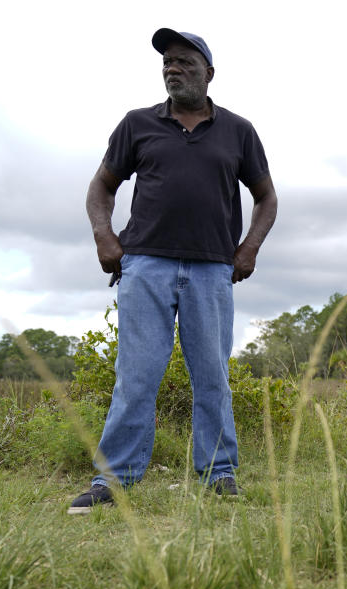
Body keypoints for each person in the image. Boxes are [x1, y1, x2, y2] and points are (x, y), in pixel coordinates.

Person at [68, 28, 277, 514]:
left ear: (209, 72)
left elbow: (266, 197)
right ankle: (114, 480)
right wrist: (104, 235)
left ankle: (219, 474)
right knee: (136, 376)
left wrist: (248, 249)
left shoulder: (238, 131)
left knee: (212, 376)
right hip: (144, 266)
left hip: (212, 270)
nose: (172, 68)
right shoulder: (137, 124)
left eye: (184, 61)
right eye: (167, 62)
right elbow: (101, 188)